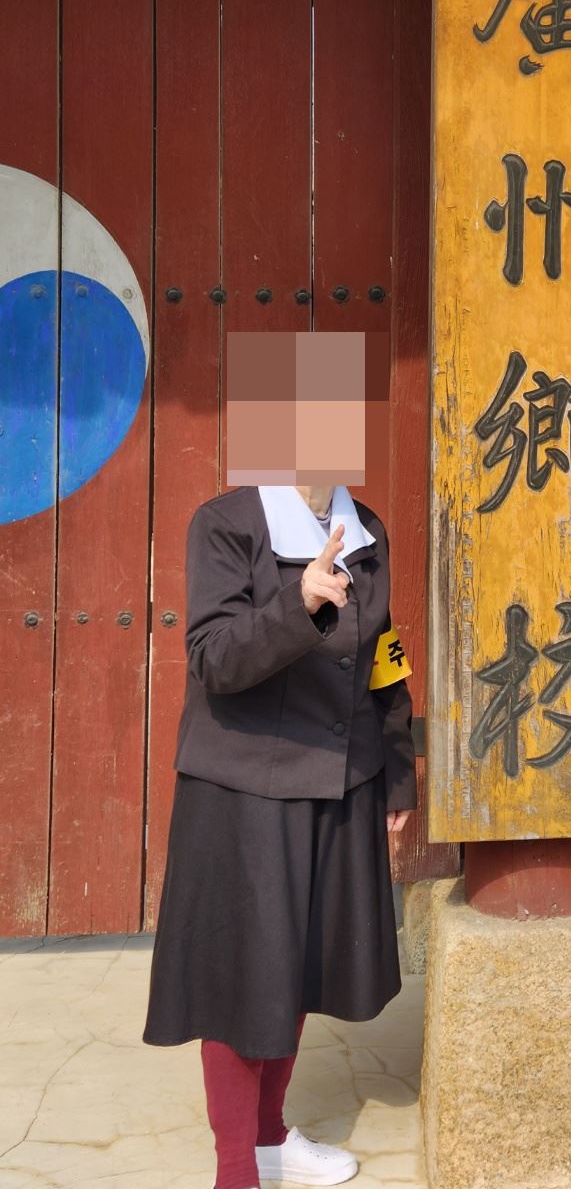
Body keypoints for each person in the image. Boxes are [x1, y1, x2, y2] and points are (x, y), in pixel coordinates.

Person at [144, 482, 416, 1189]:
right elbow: (213, 658)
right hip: (246, 791)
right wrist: (298, 603)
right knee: (244, 980)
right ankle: (236, 1169)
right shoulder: (227, 523)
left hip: (342, 779)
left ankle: (268, 1137)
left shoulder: (365, 528)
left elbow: (385, 653)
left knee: (298, 969)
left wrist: (397, 768)